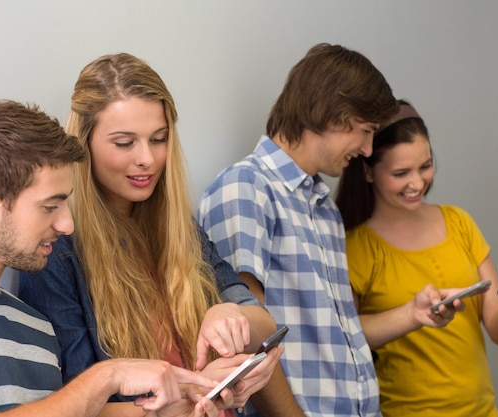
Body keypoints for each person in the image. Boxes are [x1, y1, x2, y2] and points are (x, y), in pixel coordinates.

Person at [0, 95, 230, 417]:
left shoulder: (35, 326)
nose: (67, 224)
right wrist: (108, 374)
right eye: (50, 206)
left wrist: (178, 405)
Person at [18, 53, 293, 417]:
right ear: (84, 144)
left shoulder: (180, 228)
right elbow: (80, 402)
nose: (147, 158)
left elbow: (262, 323)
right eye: (124, 143)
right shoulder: (56, 251)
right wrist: (191, 392)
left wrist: (230, 314)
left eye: (158, 138)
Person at [197, 43, 399, 417]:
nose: (369, 149)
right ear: (336, 115)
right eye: (366, 131)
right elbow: (244, 341)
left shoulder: (324, 208)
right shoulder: (245, 189)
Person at [334, 99, 498, 416]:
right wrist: (410, 314)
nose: (417, 183)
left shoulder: (459, 222)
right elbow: (346, 338)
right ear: (368, 172)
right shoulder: (356, 247)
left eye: (425, 167)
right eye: (401, 173)